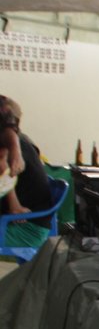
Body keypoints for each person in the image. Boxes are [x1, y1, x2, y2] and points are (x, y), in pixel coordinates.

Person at [0, 95, 55, 249]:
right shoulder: (21, 141)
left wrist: (14, 205)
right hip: (18, 221)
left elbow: (5, 171)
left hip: (26, 228)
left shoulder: (13, 147)